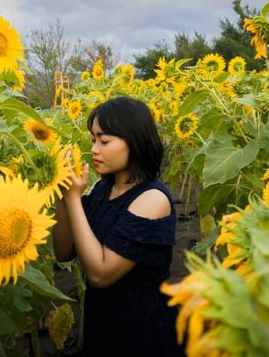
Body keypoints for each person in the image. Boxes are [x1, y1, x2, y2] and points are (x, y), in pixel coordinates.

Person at [53, 96, 184, 357]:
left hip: (142, 333)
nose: (94, 149)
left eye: (104, 141)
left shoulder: (153, 199)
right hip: (103, 325)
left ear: (133, 141)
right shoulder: (104, 189)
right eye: (93, 139)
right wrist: (61, 194)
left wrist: (74, 199)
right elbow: (63, 252)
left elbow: (100, 274)